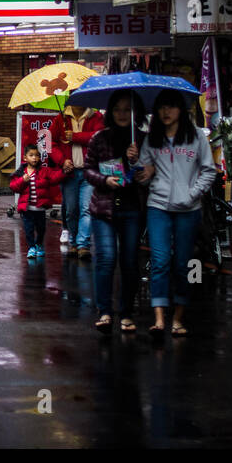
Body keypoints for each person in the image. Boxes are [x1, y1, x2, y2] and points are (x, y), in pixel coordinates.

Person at [136, 90, 218, 337]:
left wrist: (192, 194)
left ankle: (179, 318)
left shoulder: (196, 138)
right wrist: (139, 168)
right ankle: (160, 319)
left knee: (183, 264)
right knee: (160, 262)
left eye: (171, 107)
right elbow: (141, 176)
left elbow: (209, 171)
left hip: (188, 210)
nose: (166, 112)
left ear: (181, 110)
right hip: (158, 207)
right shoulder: (153, 140)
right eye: (162, 107)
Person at [82, 92, 146, 334]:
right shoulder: (99, 138)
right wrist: (104, 179)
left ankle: (127, 313)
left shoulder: (143, 139)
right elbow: (88, 170)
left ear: (136, 113)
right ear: (110, 112)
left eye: (127, 109)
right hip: (104, 208)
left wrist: (138, 160)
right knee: (107, 258)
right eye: (117, 109)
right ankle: (105, 311)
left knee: (129, 262)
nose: (122, 114)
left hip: (132, 208)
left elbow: (149, 174)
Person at [49, 104, 105, 258]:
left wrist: (75, 136)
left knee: (86, 209)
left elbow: (99, 136)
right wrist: (62, 161)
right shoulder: (61, 119)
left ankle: (83, 245)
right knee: (71, 210)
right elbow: (50, 144)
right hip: (70, 173)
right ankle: (74, 242)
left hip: (89, 171)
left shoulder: (96, 116)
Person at [10, 145, 63, 261]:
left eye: (37, 155)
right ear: (25, 158)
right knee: (28, 229)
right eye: (31, 155)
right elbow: (13, 187)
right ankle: (31, 248)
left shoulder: (44, 171)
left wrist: (64, 171)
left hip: (40, 208)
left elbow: (54, 178)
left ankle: (39, 244)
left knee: (41, 229)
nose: (34, 158)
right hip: (27, 209)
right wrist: (22, 180)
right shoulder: (20, 173)